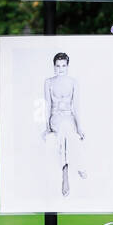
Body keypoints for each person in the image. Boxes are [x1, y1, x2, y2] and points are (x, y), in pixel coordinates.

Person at [43, 53, 85, 197]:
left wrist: (79, 127)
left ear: (67, 66)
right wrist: (46, 126)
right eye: (58, 66)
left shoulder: (73, 82)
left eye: (63, 66)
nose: (61, 69)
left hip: (69, 117)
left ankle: (66, 173)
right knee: (65, 128)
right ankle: (70, 172)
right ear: (54, 66)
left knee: (68, 130)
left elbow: (76, 107)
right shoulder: (48, 82)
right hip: (55, 118)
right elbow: (47, 105)